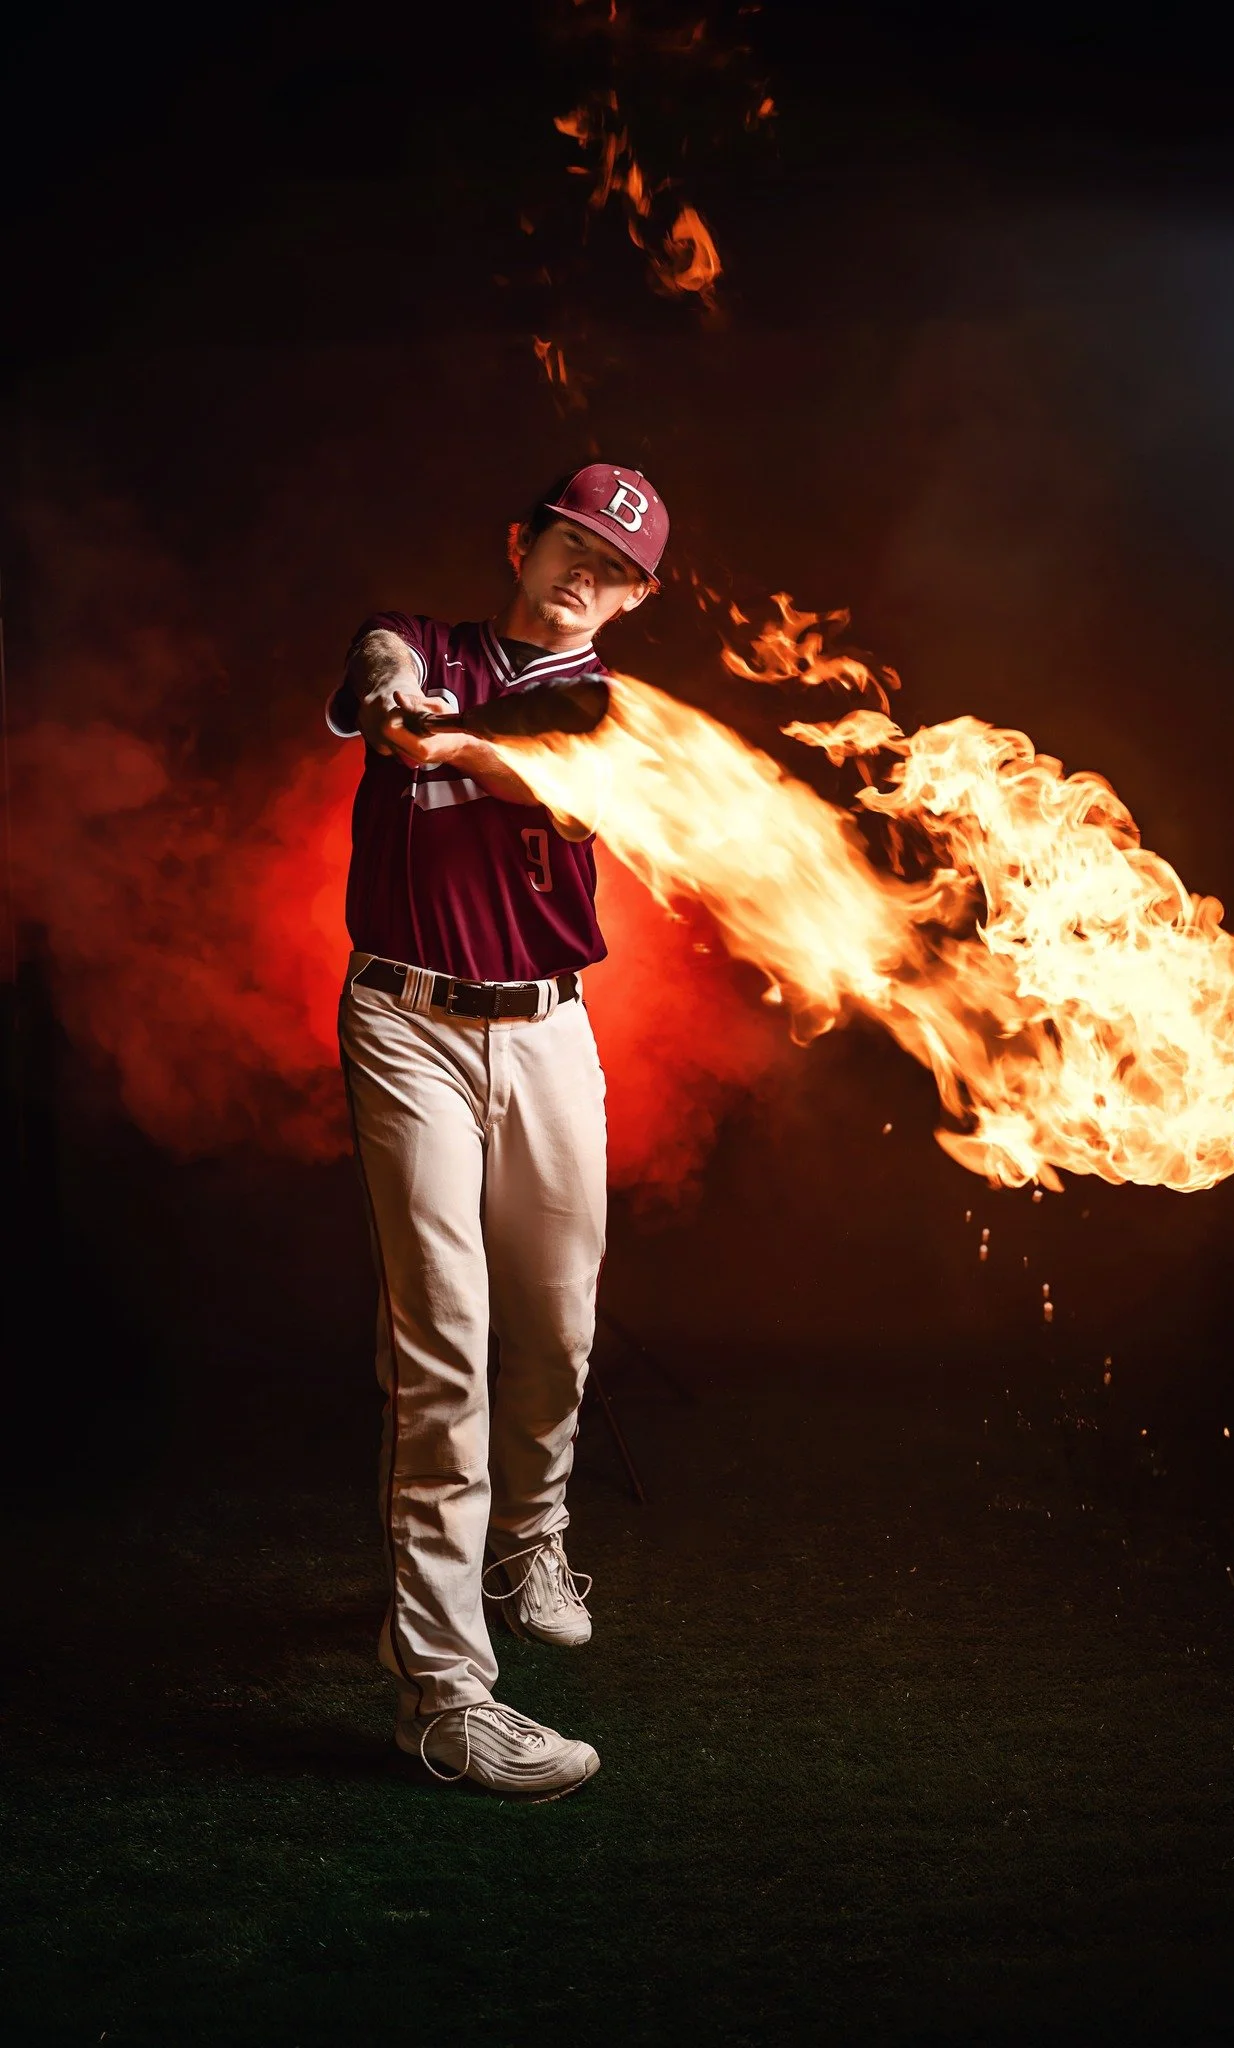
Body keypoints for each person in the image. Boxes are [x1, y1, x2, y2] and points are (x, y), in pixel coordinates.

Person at [326, 464, 669, 1799]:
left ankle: (532, 1537)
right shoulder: (436, 645)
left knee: (560, 1320)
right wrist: (388, 684)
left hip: (547, 1026)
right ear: (519, 543)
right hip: (406, 1019)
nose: (588, 572)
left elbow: (556, 783)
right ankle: (446, 1697)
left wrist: (448, 744)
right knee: (443, 1349)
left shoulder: (621, 714)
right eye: (571, 544)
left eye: (617, 566)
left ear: (637, 597)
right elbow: (379, 652)